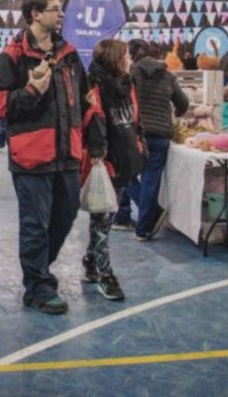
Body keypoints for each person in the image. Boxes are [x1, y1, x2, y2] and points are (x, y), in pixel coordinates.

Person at [0, 0, 105, 315]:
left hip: (68, 154)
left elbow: (85, 101)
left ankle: (38, 269)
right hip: (31, 156)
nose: (61, 14)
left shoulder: (68, 54)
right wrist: (30, 91)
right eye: (55, 9)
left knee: (65, 217)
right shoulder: (13, 55)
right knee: (35, 223)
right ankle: (38, 286)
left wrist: (95, 142)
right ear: (36, 14)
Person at [82, 40, 146, 301]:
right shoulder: (92, 86)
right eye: (126, 55)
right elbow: (93, 121)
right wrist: (99, 155)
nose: (130, 59)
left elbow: (136, 119)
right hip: (103, 162)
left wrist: (140, 147)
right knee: (101, 220)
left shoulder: (129, 84)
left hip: (126, 159)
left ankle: (90, 259)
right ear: (115, 58)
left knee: (105, 221)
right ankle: (106, 275)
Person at [112, 40, 188, 239]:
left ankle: (150, 214)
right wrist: (177, 112)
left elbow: (120, 98)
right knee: (150, 180)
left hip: (136, 132)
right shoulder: (168, 76)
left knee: (126, 174)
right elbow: (183, 103)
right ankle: (144, 229)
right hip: (161, 134)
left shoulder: (131, 74)